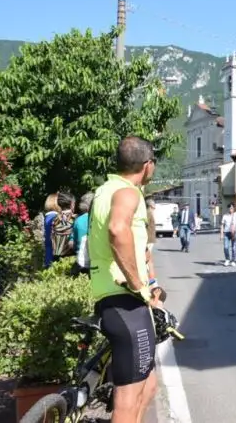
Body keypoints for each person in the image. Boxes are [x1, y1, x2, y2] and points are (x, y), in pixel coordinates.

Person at [88, 136, 160, 423]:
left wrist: (151, 284)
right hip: (126, 304)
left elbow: (134, 245)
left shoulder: (104, 190)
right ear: (146, 166)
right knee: (127, 401)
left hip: (112, 300)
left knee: (149, 385)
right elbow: (118, 231)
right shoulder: (128, 192)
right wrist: (137, 285)